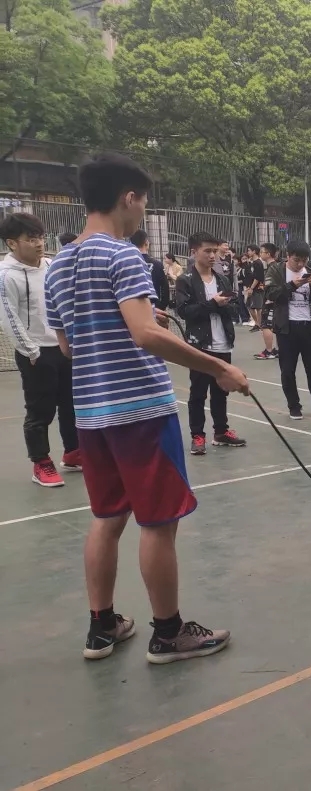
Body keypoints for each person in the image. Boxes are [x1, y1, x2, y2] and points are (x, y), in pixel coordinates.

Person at [44, 153, 247, 662]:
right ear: (128, 197)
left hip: (92, 414)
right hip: (140, 413)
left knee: (107, 517)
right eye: (144, 203)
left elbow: (68, 346)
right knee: (158, 523)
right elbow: (145, 335)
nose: (142, 213)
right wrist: (217, 369)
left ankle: (102, 627)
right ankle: (169, 633)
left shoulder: (58, 265)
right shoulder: (121, 255)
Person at [0, 212, 80, 487]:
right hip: (35, 354)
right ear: (12, 243)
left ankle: (73, 453)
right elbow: (8, 318)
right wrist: (31, 351)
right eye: (31, 238)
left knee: (71, 404)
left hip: (62, 347)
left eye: (41, 237)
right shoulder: (6, 276)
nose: (39, 243)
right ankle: (41, 462)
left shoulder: (50, 266)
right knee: (40, 410)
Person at [173, 231, 247, 455]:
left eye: (215, 251)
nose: (212, 255)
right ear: (194, 252)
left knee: (221, 390)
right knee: (198, 392)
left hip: (222, 342)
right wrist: (213, 304)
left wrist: (225, 305)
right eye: (208, 251)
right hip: (200, 345)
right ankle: (197, 435)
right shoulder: (186, 280)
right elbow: (184, 311)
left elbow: (235, 308)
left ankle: (221, 431)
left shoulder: (222, 279)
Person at [263, 240, 311, 419]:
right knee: (288, 370)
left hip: (309, 327)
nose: (300, 264)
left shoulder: (310, 271)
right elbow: (271, 294)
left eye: (304, 260)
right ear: (288, 256)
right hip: (287, 328)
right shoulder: (276, 271)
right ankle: (294, 406)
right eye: (296, 260)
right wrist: (292, 285)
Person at [129, 229, 170, 310]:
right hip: (155, 306)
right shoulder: (157, 264)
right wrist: (161, 306)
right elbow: (165, 288)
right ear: (146, 243)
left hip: (133, 308)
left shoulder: (127, 263)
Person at [252, 243, 278, 360]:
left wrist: (270, 298)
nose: (260, 254)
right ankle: (277, 349)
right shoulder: (276, 266)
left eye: (262, 252)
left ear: (268, 254)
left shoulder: (272, 268)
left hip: (270, 301)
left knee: (266, 325)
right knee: (276, 326)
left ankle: (269, 351)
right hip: (273, 299)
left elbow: (274, 285)